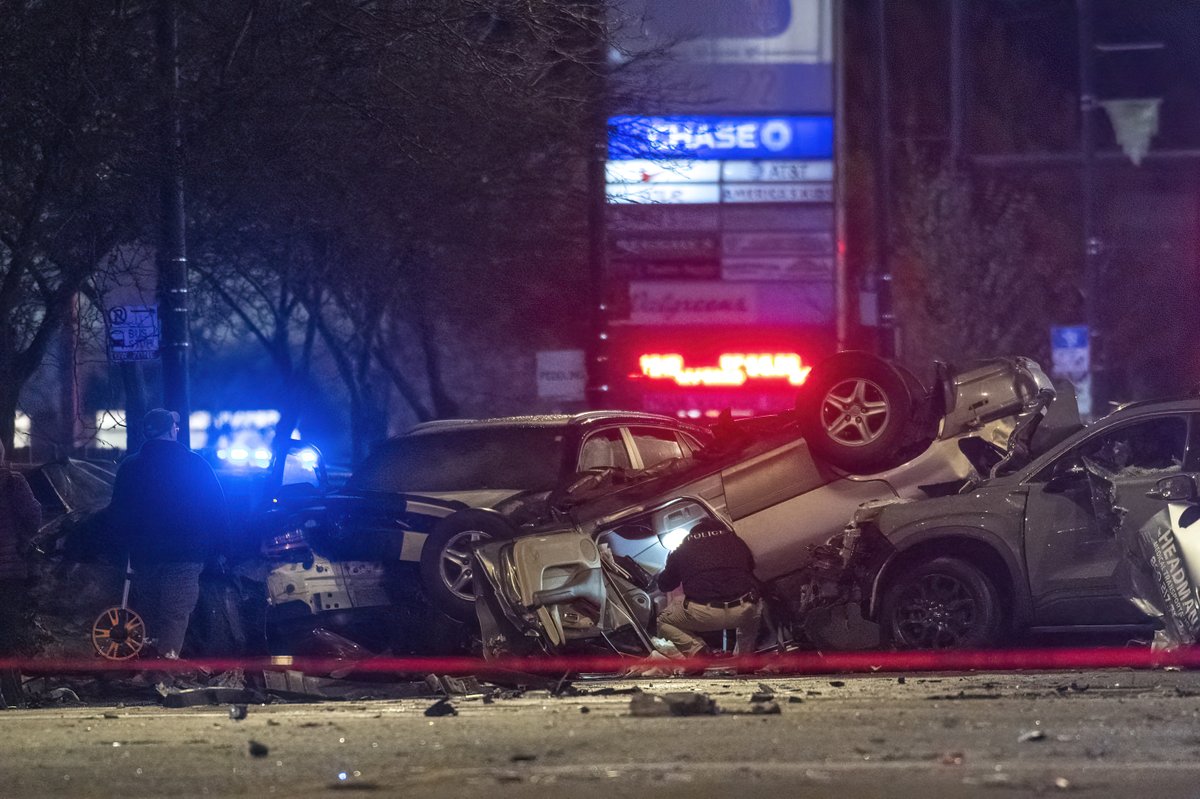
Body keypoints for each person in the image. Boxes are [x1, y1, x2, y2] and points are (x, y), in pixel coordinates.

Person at [108, 409, 228, 659]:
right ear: (172, 430)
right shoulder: (196, 465)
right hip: (187, 553)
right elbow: (217, 509)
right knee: (175, 613)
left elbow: (118, 513)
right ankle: (164, 670)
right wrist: (220, 550)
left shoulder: (130, 467)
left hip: (145, 555)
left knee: (149, 613)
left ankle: (149, 666)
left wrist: (121, 548)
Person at [654, 517, 761, 661]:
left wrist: (674, 565)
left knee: (663, 620)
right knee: (757, 604)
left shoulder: (683, 549)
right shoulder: (736, 541)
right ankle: (745, 658)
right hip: (742, 610)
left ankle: (695, 650)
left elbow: (665, 585)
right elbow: (751, 567)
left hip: (704, 615)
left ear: (693, 532)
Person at [0, 440, 41, 707]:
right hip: (8, 573)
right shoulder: (13, 483)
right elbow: (33, 516)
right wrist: (23, 541)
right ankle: (13, 697)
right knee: (6, 636)